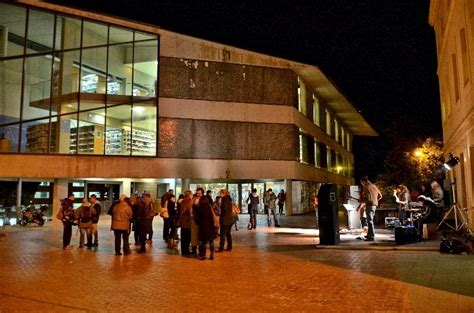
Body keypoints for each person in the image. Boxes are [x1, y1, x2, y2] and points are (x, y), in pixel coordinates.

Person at [194, 187, 216, 260]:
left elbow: (198, 216)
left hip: (204, 225)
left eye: (199, 193)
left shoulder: (200, 205)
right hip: (209, 225)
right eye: (197, 193)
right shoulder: (207, 205)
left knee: (203, 241)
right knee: (210, 240)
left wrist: (195, 206)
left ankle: (203, 255)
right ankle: (211, 254)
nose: (198, 194)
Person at [361, 176, 382, 241]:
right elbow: (380, 196)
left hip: (369, 205)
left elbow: (366, 197)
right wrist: (375, 200)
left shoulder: (366, 187)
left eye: (362, 183)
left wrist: (365, 201)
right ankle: (369, 235)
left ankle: (372, 236)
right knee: (370, 220)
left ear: (364, 181)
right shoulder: (374, 186)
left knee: (369, 220)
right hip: (375, 205)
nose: (362, 184)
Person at [179, 191, 193, 257]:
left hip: (183, 221)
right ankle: (186, 252)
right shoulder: (189, 201)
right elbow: (190, 211)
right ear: (190, 195)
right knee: (187, 238)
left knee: (183, 237)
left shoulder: (182, 201)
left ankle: (184, 251)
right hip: (187, 222)